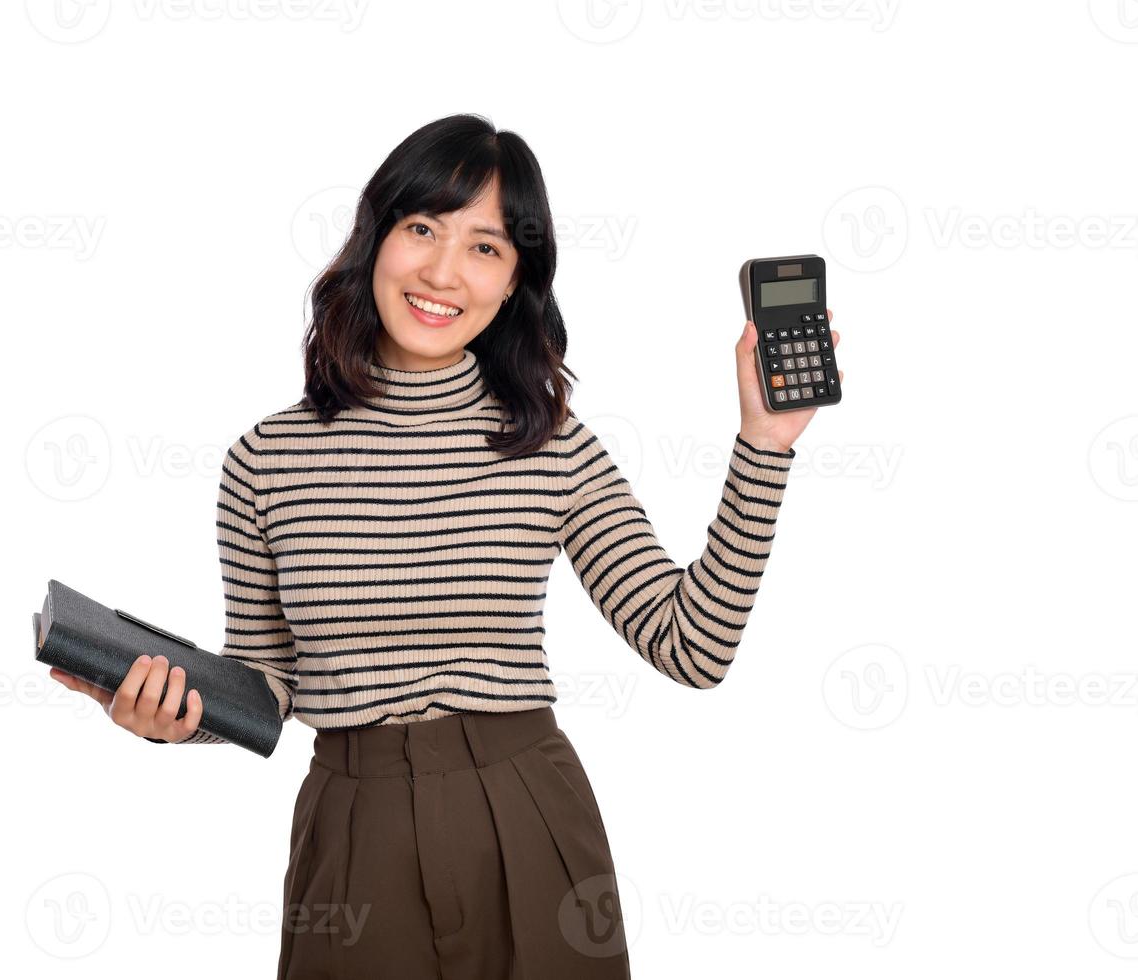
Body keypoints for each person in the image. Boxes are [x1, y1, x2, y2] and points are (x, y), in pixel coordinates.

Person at [50, 113, 838, 979]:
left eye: (485, 248)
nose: (442, 272)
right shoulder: (265, 460)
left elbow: (694, 647)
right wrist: (171, 720)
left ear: (515, 284)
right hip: (352, 841)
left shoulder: (551, 444)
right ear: (375, 239)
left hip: (531, 817)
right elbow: (266, 687)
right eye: (422, 228)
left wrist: (765, 446)